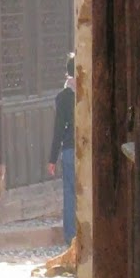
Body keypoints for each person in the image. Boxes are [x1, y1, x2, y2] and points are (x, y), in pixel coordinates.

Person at [49, 54, 76, 253]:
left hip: (69, 150)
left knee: (70, 193)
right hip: (87, 149)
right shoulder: (91, 91)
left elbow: (58, 129)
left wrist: (52, 159)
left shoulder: (63, 97)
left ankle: (71, 236)